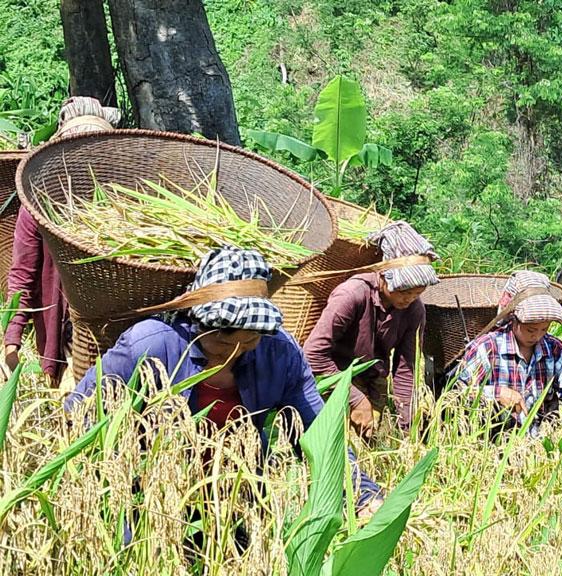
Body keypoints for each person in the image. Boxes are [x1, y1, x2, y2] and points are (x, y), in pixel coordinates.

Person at [64, 246, 384, 515]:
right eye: (223, 343)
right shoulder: (150, 344)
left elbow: (318, 433)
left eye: (248, 343)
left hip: (233, 497)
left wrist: (362, 494)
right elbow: (79, 413)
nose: (233, 354)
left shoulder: (281, 353)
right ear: (199, 322)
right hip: (148, 498)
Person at [4, 97, 122, 385]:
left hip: (115, 333)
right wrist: (11, 340)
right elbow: (23, 275)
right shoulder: (37, 206)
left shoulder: (123, 203)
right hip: (64, 335)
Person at [304, 221, 437, 437]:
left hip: (374, 379)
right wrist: (355, 399)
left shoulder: (414, 310)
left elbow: (406, 369)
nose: (410, 299)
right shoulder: (352, 295)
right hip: (334, 375)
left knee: (377, 442)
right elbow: (313, 355)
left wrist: (407, 425)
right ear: (384, 276)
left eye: (417, 293)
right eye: (405, 291)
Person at [454, 270, 562, 437]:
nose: (537, 336)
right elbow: (458, 392)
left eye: (544, 329)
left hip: (538, 445)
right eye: (530, 329)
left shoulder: (556, 351)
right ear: (513, 318)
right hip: (490, 442)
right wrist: (497, 394)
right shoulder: (487, 348)